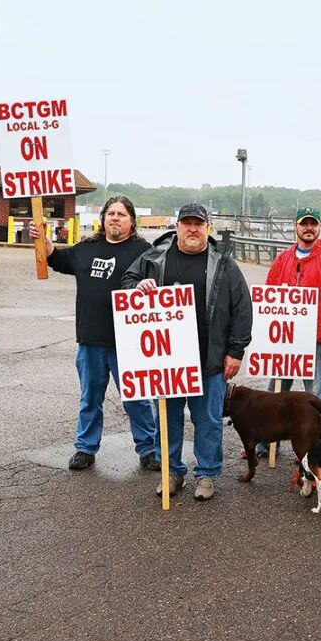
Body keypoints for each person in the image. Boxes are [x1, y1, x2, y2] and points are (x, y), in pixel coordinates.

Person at [122, 203, 252, 501]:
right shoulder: (154, 256)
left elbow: (242, 309)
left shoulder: (223, 263)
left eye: (199, 224)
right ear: (177, 226)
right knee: (167, 419)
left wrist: (236, 351)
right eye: (187, 223)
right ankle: (172, 472)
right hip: (166, 361)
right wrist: (137, 286)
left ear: (207, 228)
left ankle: (206, 474)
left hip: (209, 359)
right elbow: (127, 281)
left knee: (208, 421)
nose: (193, 229)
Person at [28, 196, 158, 472]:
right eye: (111, 213)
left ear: (132, 221)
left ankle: (148, 449)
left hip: (129, 342)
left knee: (137, 400)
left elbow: (161, 285)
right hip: (90, 339)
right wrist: (43, 239)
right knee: (90, 399)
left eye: (121, 214)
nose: (115, 218)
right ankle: (85, 448)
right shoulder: (86, 248)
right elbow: (56, 258)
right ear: (103, 218)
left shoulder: (145, 252)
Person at [251, 206, 321, 458]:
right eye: (304, 223)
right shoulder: (283, 259)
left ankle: (315, 448)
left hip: (317, 340)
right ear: (295, 226)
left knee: (314, 397)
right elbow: (270, 294)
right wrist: (265, 334)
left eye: (313, 223)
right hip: (285, 341)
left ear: (319, 227)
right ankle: (267, 443)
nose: (309, 228)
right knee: (275, 394)